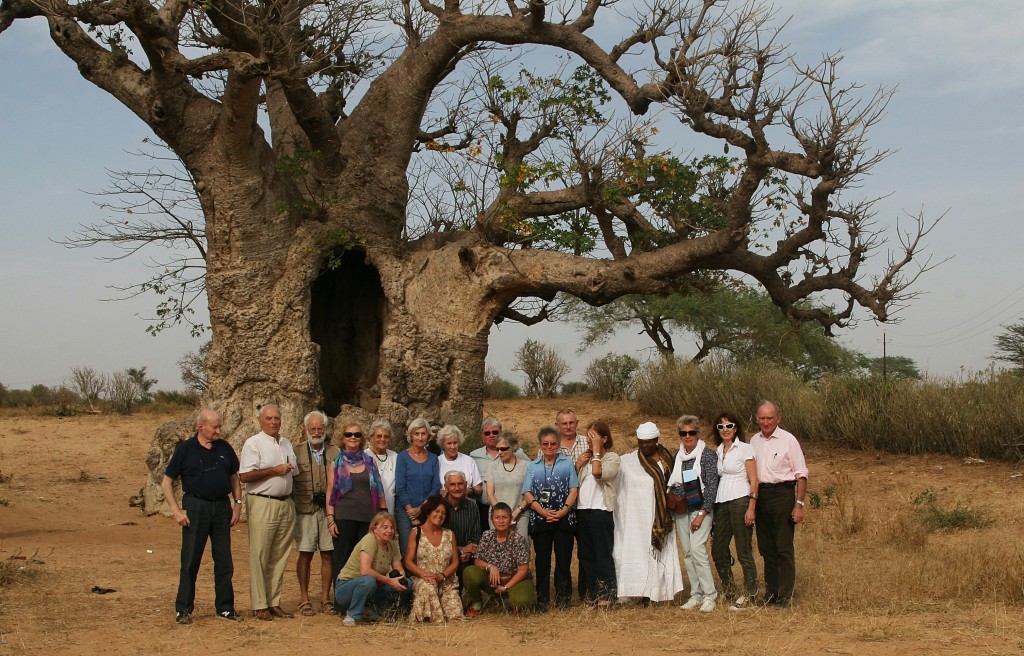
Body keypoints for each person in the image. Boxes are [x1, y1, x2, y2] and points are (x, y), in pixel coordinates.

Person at [161, 409, 242, 624]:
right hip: (196, 507)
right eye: (214, 427)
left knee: (224, 561)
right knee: (190, 560)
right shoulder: (185, 449)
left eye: (219, 427)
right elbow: (166, 482)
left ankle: (225, 608)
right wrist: (176, 510)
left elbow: (234, 478)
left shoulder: (224, 448)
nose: (218, 431)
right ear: (201, 427)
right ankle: (183, 609)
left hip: (221, 507)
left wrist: (237, 505)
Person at [238, 404, 297, 621]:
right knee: (260, 554)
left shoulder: (286, 443)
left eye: (276, 418)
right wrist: (275, 470)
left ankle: (274, 602)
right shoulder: (253, 443)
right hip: (263, 502)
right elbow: (245, 476)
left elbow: (295, 473)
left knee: (280, 555)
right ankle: (259, 605)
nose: (273, 422)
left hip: (285, 503)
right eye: (269, 418)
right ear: (260, 420)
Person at [613, 421, 683, 604]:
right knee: (639, 553)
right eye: (641, 442)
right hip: (638, 519)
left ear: (656, 440)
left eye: (649, 442)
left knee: (658, 556)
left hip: (660, 519)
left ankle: (657, 592)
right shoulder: (628, 462)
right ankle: (638, 591)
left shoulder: (668, 461)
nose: (645, 446)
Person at [750, 401, 808, 609]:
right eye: (762, 418)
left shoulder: (788, 440)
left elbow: (801, 474)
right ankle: (771, 592)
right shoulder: (753, 441)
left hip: (782, 494)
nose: (766, 422)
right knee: (766, 547)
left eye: (770, 418)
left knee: (783, 547)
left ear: (778, 418)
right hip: (761, 495)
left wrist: (798, 504)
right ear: (757, 419)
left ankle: (784, 595)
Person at [326, 421, 388, 607]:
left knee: (366, 560)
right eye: (349, 434)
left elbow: (379, 490)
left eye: (357, 434)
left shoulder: (370, 462)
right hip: (344, 517)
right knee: (342, 560)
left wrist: (384, 513)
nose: (353, 437)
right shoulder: (335, 463)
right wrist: (330, 519)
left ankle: (362, 602)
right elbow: (330, 492)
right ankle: (341, 603)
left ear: (362, 439)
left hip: (368, 518)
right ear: (343, 438)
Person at [522, 426, 579, 610]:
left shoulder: (567, 463)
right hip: (541, 520)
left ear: (558, 444)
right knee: (542, 561)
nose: (549, 447)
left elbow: (573, 489)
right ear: (540, 445)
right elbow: (527, 492)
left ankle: (563, 599)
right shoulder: (533, 466)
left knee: (563, 561)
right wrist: (542, 512)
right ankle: (542, 600)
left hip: (564, 519)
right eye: (545, 444)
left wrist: (563, 511)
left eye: (553, 444)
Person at [668, 415, 720, 612]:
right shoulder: (677, 456)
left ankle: (710, 595)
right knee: (688, 553)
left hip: (701, 509)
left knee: (698, 550)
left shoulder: (707, 456)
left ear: (698, 433)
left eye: (691, 432)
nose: (687, 436)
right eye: (683, 433)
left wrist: (702, 513)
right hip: (682, 510)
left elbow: (712, 486)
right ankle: (696, 594)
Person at [710, 410, 759, 611]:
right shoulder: (717, 451)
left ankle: (750, 595)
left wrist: (751, 508)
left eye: (729, 426)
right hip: (722, 502)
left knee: (743, 550)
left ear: (736, 428)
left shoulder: (745, 449)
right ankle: (730, 591)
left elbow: (754, 480)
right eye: (721, 426)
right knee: (718, 549)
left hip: (740, 501)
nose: (725, 430)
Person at [292, 410, 340, 616]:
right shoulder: (295, 452)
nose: (316, 432)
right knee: (305, 553)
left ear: (326, 429)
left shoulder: (335, 452)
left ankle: (325, 598)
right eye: (313, 428)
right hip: (305, 510)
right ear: (306, 429)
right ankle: (304, 598)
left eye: (320, 428)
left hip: (328, 510)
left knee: (328, 554)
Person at [334, 511, 410, 626]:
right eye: (385, 527)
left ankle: (377, 611)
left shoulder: (392, 545)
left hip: (372, 587)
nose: (389, 531)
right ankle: (352, 615)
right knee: (368, 580)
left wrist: (400, 580)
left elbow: (399, 569)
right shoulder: (369, 540)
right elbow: (365, 571)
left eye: (392, 528)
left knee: (408, 583)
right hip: (346, 588)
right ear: (375, 528)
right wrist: (390, 581)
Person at [463, 503, 536, 616]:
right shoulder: (487, 535)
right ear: (492, 520)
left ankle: (509, 599)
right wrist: (491, 567)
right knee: (470, 572)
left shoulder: (518, 540)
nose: (501, 521)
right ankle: (475, 604)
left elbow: (523, 570)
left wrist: (505, 587)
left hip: (514, 580)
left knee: (521, 602)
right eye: (497, 517)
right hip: (493, 580)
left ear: (510, 519)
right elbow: (477, 560)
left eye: (505, 517)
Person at [575, 421, 620, 606]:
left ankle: (608, 594)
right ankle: (592, 593)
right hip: (582, 510)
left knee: (602, 553)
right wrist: (578, 465)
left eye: (593, 437)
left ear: (604, 439)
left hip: (600, 511)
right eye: (588, 437)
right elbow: (575, 482)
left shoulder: (612, 458)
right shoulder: (585, 459)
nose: (589, 440)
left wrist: (596, 452)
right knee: (586, 555)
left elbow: (598, 473)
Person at [404, 495, 464, 622]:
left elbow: (455, 562)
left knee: (456, 616)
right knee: (429, 588)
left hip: (446, 581)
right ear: (428, 512)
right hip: (423, 580)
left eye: (443, 513)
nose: (440, 515)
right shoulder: (416, 532)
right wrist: (424, 575)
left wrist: (442, 576)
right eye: (436, 511)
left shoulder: (449, 534)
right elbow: (408, 561)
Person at [555, 408, 589, 599]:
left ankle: (586, 591)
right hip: (562, 509)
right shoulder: (550, 446)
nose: (568, 426)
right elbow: (551, 478)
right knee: (563, 555)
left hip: (585, 505)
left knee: (585, 552)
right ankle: (563, 595)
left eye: (571, 422)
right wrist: (576, 466)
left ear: (577, 423)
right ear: (557, 425)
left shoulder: (587, 442)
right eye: (564, 423)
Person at [469, 418, 527, 534]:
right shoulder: (474, 456)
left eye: (495, 432)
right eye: (487, 433)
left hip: (518, 510)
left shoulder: (519, 454)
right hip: (487, 508)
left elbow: (530, 476)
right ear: (482, 436)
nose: (491, 435)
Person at [395, 418, 441, 557]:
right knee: (407, 549)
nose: (420, 438)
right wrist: (411, 511)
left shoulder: (433, 458)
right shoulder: (402, 457)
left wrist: (421, 508)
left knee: (425, 550)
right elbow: (400, 487)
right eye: (416, 434)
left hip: (427, 509)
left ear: (428, 436)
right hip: (405, 510)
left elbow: (436, 486)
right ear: (411, 436)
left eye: (423, 434)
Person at [486, 432, 530, 539]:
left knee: (521, 547)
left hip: (520, 515)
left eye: (503, 449)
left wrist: (515, 513)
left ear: (513, 447)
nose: (500, 452)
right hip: (497, 516)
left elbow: (529, 494)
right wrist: (502, 515)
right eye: (497, 449)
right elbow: (490, 494)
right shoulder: (492, 466)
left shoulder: (526, 466)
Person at [442, 470, 481, 587]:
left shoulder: (472, 506)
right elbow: (436, 539)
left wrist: (468, 553)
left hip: (466, 558)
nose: (457, 488)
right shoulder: (439, 507)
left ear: (466, 485)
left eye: (460, 484)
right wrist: (459, 550)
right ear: (446, 487)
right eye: (452, 484)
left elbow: (476, 536)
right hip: (443, 558)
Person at [436, 424, 483, 499]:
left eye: (455, 443)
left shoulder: (469, 461)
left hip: (467, 502)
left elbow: (479, 489)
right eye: (449, 443)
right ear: (442, 444)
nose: (452, 447)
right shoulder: (437, 462)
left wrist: (469, 491)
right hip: (444, 503)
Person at [365, 419, 399, 515]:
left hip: (389, 511)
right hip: (368, 510)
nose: (383, 439)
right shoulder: (364, 456)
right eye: (379, 436)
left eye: (386, 436)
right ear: (372, 437)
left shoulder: (395, 457)